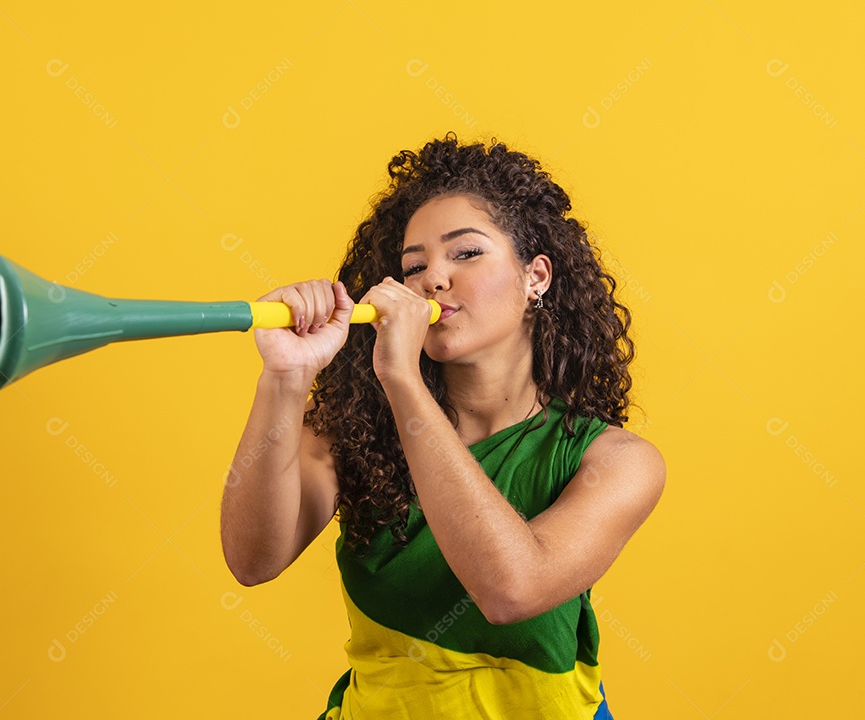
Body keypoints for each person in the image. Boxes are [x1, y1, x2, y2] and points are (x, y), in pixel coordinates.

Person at [220, 133, 666, 719]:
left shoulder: (618, 461)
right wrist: (285, 377)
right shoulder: (355, 434)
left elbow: (510, 590)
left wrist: (400, 377)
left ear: (536, 277)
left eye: (466, 253)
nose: (433, 278)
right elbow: (252, 561)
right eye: (414, 265)